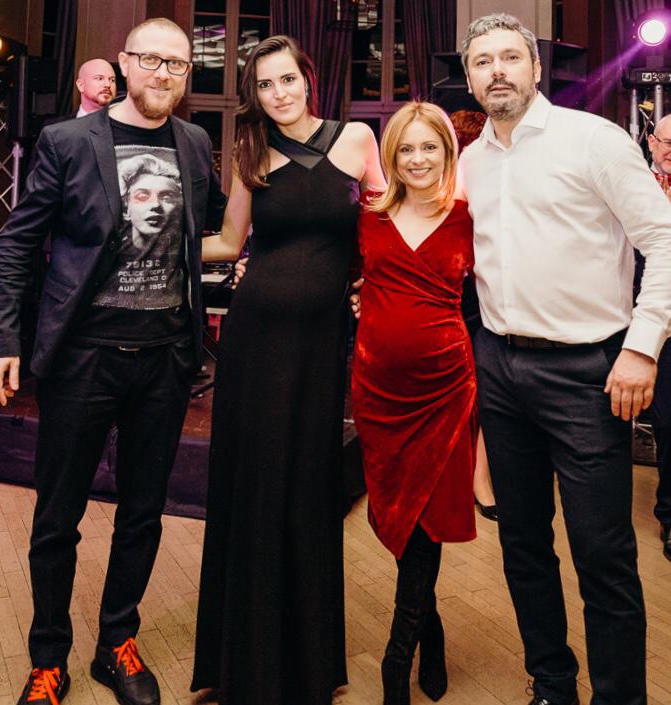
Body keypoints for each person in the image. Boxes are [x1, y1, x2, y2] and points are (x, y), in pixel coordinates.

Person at [0, 17, 226, 705]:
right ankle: (47, 657)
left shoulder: (195, 143)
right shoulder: (68, 141)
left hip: (164, 361)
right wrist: (2, 340)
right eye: (150, 59)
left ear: (187, 74)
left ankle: (116, 641)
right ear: (124, 62)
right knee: (57, 517)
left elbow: (207, 230)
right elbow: (16, 244)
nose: (162, 73)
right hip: (83, 358)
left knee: (143, 514)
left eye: (176, 64)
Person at [460, 13, 671, 705]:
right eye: (482, 60)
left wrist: (641, 346)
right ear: (469, 78)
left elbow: (665, 240)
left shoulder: (594, 141)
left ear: (535, 67)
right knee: (522, 545)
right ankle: (552, 684)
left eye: (509, 57)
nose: (497, 70)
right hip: (500, 368)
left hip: (589, 375)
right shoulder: (470, 161)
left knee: (603, 555)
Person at [191, 34, 383, 705]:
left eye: (287, 79)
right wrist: (152, 240)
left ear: (308, 78)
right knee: (256, 484)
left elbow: (384, 223)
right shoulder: (251, 150)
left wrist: (376, 280)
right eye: (265, 85)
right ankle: (243, 663)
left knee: (307, 487)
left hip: (319, 345)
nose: (279, 94)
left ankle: (305, 665)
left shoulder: (357, 139)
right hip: (254, 342)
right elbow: (228, 242)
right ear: (255, 95)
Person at [352, 101, 476, 705]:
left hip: (446, 390)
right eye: (406, 149)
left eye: (430, 147)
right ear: (391, 157)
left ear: (447, 153)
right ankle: (432, 631)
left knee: (426, 519)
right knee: (397, 516)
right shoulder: (368, 217)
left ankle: (395, 662)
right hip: (378, 392)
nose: (418, 159)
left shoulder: (469, 216)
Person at [449, 109, 497, 521]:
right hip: (450, 303)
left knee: (483, 392)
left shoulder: (495, 185)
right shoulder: (439, 189)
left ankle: (481, 479)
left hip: (484, 301)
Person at [646, 113, 671, 559]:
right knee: (668, 424)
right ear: (651, 142)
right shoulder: (636, 186)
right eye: (667, 142)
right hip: (652, 324)